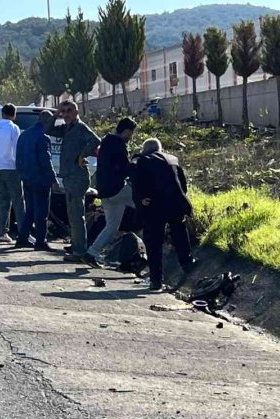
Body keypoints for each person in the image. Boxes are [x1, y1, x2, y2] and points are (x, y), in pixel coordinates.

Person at [132, 138, 196, 292]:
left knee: (153, 243)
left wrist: (141, 200)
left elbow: (137, 182)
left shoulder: (142, 160)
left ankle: (156, 280)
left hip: (154, 205)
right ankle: (187, 263)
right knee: (179, 232)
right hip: (175, 203)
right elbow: (182, 185)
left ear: (145, 149)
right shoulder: (173, 160)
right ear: (160, 149)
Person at [45, 100, 100, 263]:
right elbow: (48, 129)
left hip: (77, 176)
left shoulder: (80, 127)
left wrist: (82, 156)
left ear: (76, 112)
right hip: (69, 176)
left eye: (69, 110)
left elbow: (96, 140)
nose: (66, 114)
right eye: (64, 111)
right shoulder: (67, 128)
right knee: (73, 215)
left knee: (76, 215)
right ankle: (77, 247)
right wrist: (56, 113)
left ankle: (80, 251)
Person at [83, 117, 137, 267]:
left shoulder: (105, 142)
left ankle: (91, 252)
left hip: (105, 191)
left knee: (112, 226)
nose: (131, 137)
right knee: (144, 203)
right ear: (126, 131)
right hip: (118, 188)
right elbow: (125, 167)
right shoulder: (119, 144)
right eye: (131, 133)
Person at [15, 110, 58, 252]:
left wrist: (22, 174)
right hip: (41, 179)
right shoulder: (43, 137)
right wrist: (53, 178)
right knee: (42, 212)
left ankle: (22, 238)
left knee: (31, 210)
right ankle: (40, 241)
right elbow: (45, 160)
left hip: (27, 178)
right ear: (47, 122)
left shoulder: (24, 135)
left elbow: (18, 158)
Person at [0, 103, 25, 243]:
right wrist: (18, 166)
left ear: (2, 113)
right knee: (18, 201)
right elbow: (16, 148)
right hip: (11, 167)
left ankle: (3, 232)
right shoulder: (13, 128)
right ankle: (23, 231)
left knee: (4, 200)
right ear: (14, 115)